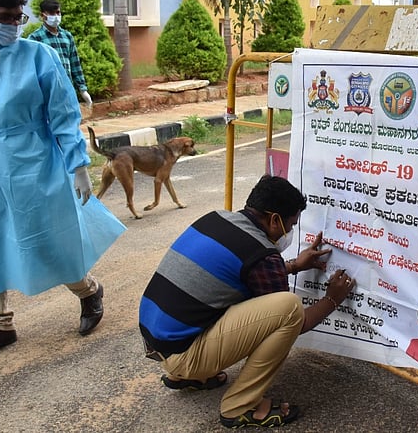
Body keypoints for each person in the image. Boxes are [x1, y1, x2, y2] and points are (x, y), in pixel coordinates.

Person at [0, 0, 125, 362]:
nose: (14, 25)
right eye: (5, 18)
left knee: (46, 238)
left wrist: (78, 165)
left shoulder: (38, 56)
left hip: (34, 161)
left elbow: (63, 113)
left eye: (19, 18)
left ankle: (88, 291)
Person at [139, 175, 354, 429]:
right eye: (291, 223)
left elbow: (241, 274)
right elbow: (299, 322)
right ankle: (241, 406)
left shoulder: (216, 218)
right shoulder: (262, 254)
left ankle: (188, 376)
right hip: (184, 355)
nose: (291, 231)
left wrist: (294, 265)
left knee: (227, 296)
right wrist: (332, 298)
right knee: (289, 308)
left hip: (157, 342)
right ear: (274, 219)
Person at [27, 0, 92, 107]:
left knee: (69, 122)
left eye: (58, 12)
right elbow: (31, 69)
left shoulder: (67, 36)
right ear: (43, 16)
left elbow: (75, 63)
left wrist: (82, 89)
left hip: (67, 89)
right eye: (52, 13)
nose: (56, 16)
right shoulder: (35, 39)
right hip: (46, 93)